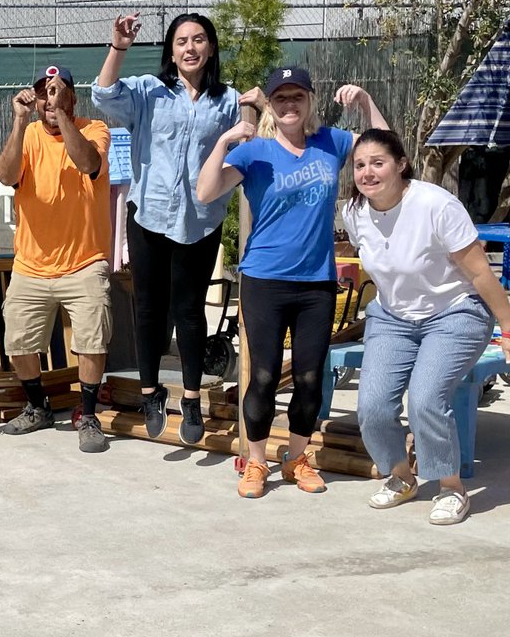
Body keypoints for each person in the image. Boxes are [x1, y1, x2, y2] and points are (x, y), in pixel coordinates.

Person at [197, 65, 387, 499]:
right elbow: (206, 191)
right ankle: (257, 462)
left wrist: (366, 103)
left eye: (296, 97)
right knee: (263, 376)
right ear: (271, 102)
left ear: (309, 102)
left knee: (308, 377)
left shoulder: (331, 143)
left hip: (316, 282)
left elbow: (388, 152)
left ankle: (297, 457)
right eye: (280, 97)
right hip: (264, 279)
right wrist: (227, 139)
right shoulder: (255, 151)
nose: (289, 104)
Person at [92, 11, 260, 445]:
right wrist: (118, 46)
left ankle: (189, 396)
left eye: (198, 39)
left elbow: (245, 151)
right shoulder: (150, 91)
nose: (190, 48)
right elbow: (104, 95)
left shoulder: (228, 101)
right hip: (148, 213)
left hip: (200, 218)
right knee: (149, 308)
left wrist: (256, 109)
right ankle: (151, 393)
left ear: (211, 47)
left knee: (188, 311)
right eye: (181, 41)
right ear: (171, 49)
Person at [342, 129, 510, 525]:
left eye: (378, 163)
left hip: (455, 311)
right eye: (360, 165)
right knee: (372, 407)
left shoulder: (435, 205)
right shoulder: (354, 213)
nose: (367, 172)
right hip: (393, 318)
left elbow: (481, 273)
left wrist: (507, 325)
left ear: (401, 165)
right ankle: (401, 478)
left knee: (425, 398)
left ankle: (451, 487)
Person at [0, 65, 112, 453]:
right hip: (31, 262)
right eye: (44, 92)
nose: (49, 98)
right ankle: (37, 406)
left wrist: (61, 113)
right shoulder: (27, 134)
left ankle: (89, 414)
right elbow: (5, 175)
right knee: (18, 342)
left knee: (92, 341)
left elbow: (87, 163)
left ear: (72, 97)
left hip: (84, 260)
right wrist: (17, 121)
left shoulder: (94, 128)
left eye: (58, 91)